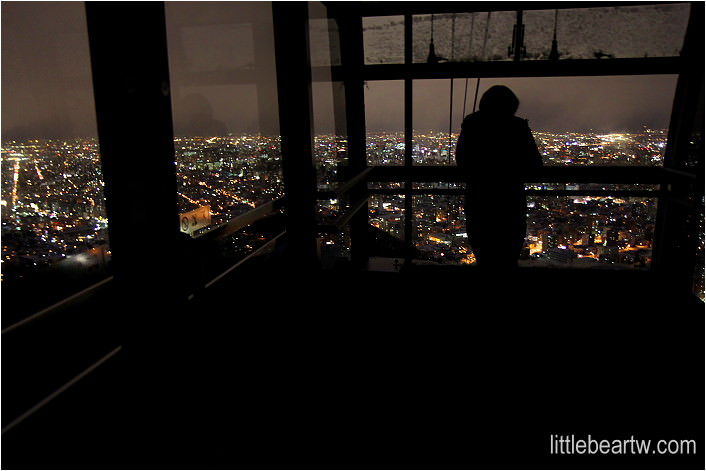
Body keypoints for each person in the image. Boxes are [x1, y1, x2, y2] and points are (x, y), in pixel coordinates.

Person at [455, 85, 542, 270]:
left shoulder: (472, 124)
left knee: (483, 253)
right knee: (509, 254)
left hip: (479, 197)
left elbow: (462, 160)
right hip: (510, 197)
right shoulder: (518, 126)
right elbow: (535, 164)